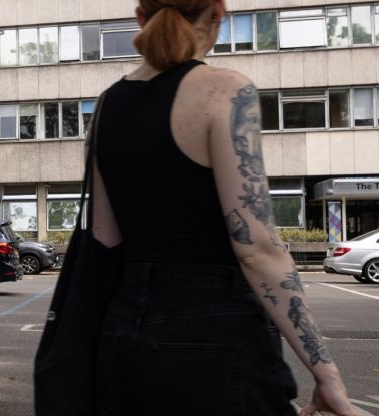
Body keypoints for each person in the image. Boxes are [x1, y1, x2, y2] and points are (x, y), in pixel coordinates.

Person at [88, 0, 358, 414]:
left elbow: (106, 236)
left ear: (140, 17)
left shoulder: (107, 104)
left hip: (125, 328)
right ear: (218, 12)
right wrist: (327, 376)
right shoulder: (226, 91)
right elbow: (257, 250)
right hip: (216, 329)